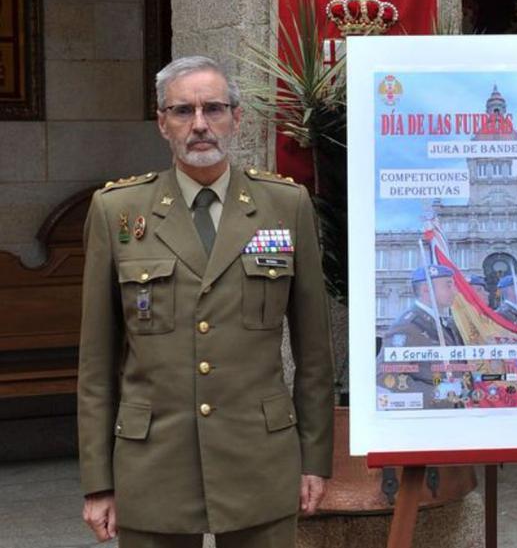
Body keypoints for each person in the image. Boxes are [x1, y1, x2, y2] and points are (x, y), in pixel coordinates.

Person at [77, 56, 334, 546]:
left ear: (237, 118)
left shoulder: (284, 205)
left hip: (261, 459)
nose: (199, 124)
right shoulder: (118, 212)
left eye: (213, 108)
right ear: (162, 123)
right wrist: (98, 482)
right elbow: (96, 364)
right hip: (153, 466)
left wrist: (314, 459)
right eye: (182, 111)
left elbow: (315, 355)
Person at [377, 265, 465, 408]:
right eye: (448, 286)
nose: (455, 292)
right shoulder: (408, 326)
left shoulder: (442, 322)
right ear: (426, 290)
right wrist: (438, 393)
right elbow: (385, 376)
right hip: (431, 415)